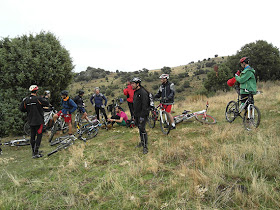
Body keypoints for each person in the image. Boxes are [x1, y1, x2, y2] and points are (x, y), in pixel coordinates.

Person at [19, 85, 49, 158]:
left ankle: (34, 151)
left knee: (32, 136)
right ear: (37, 91)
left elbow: (21, 108)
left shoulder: (26, 100)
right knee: (39, 135)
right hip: (39, 120)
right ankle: (36, 153)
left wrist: (29, 109)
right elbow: (47, 103)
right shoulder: (39, 98)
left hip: (31, 120)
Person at [131, 77, 149, 154]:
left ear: (137, 84)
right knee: (140, 128)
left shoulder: (143, 92)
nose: (132, 85)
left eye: (133, 84)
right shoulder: (136, 92)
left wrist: (142, 116)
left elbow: (145, 105)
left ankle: (145, 147)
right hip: (137, 114)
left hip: (142, 114)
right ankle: (142, 142)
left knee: (142, 129)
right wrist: (134, 115)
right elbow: (135, 104)